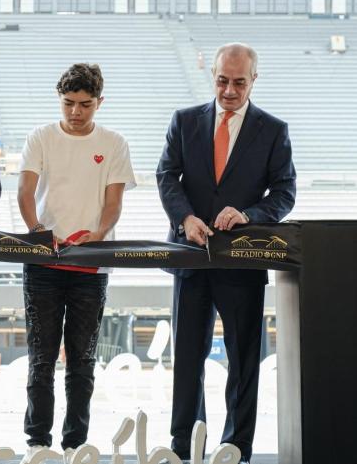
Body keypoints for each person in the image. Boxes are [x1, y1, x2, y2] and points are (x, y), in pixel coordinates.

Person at [156, 42, 296, 464]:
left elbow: (285, 191)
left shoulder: (273, 129)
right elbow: (167, 175)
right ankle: (185, 447)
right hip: (191, 259)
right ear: (211, 75)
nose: (229, 90)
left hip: (242, 263)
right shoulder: (184, 121)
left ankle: (236, 448)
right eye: (222, 80)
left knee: (244, 361)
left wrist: (249, 215)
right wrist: (186, 219)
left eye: (238, 82)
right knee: (187, 361)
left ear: (255, 79)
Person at [15, 63, 136, 463]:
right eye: (68, 103)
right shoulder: (41, 137)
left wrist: (98, 235)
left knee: (82, 359)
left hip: (91, 265)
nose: (75, 112)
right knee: (41, 356)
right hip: (44, 263)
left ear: (100, 102)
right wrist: (36, 230)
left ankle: (74, 442)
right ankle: (37, 440)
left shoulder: (114, 142)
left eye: (85, 104)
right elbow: (25, 192)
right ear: (59, 99)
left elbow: (114, 202)